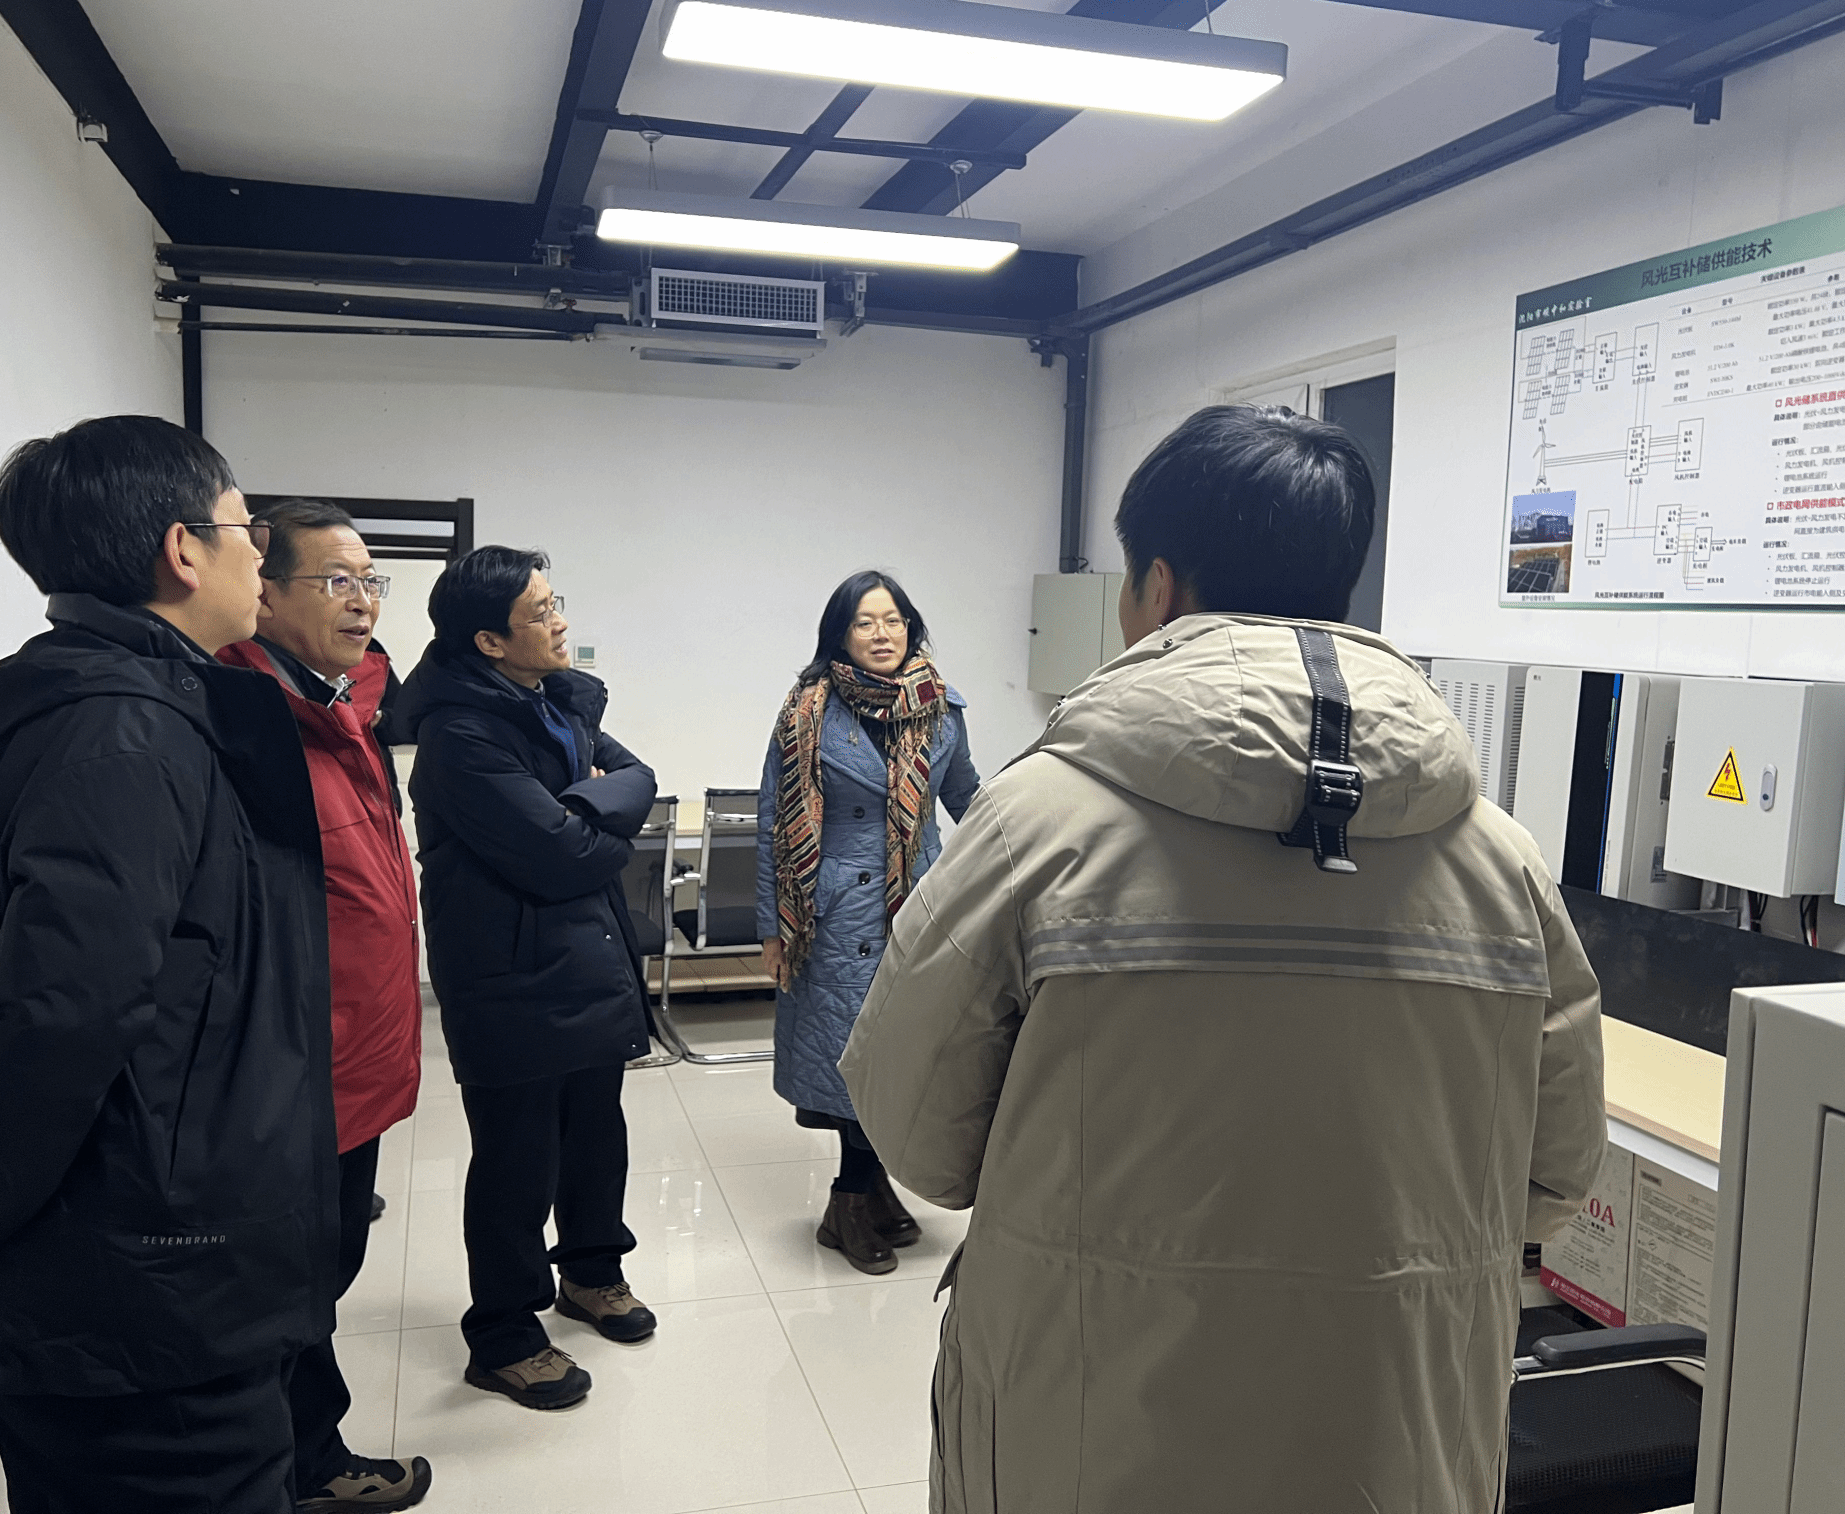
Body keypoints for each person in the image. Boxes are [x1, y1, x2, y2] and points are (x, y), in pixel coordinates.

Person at [842, 404, 1609, 1513]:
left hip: (1090, 1428)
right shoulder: (1502, 859)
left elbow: (917, 1131)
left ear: (1156, 589)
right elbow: (1554, 1172)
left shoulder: (1032, 825)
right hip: (1396, 1434)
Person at [0, 416, 335, 1513]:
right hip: (143, 1304)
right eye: (246, 529)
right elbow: (51, 1036)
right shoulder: (123, 739)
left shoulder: (67, 715)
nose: (261, 557)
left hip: (100, 1271)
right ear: (183, 550)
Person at [393, 547, 659, 1412]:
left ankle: (591, 1272)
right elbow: (562, 855)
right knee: (516, 1161)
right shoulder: (460, 736)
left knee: (595, 1136)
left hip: (586, 955)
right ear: (489, 641)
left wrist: (584, 815)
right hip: (508, 974)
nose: (561, 622)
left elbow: (639, 777)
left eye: (555, 603)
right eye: (541, 612)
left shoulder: (557, 701)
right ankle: (505, 1334)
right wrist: (596, 824)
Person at [218, 500, 431, 1512]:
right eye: (336, 581)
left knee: (324, 1268)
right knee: (289, 1285)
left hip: (357, 1060)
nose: (363, 601)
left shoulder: (346, 709)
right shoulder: (244, 722)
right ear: (262, 594)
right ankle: (303, 1465)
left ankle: (297, 1454)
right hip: (296, 1070)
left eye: (370, 582)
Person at [756, 572, 979, 1274]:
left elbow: (968, 797)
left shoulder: (940, 708)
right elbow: (772, 823)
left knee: (902, 1055)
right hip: (830, 916)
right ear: (840, 634)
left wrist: (1024, 835)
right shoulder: (806, 712)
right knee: (854, 1059)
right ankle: (849, 1202)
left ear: (911, 628)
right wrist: (772, 928)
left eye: (893, 621)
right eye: (864, 622)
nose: (882, 635)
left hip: (916, 906)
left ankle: (870, 1187)